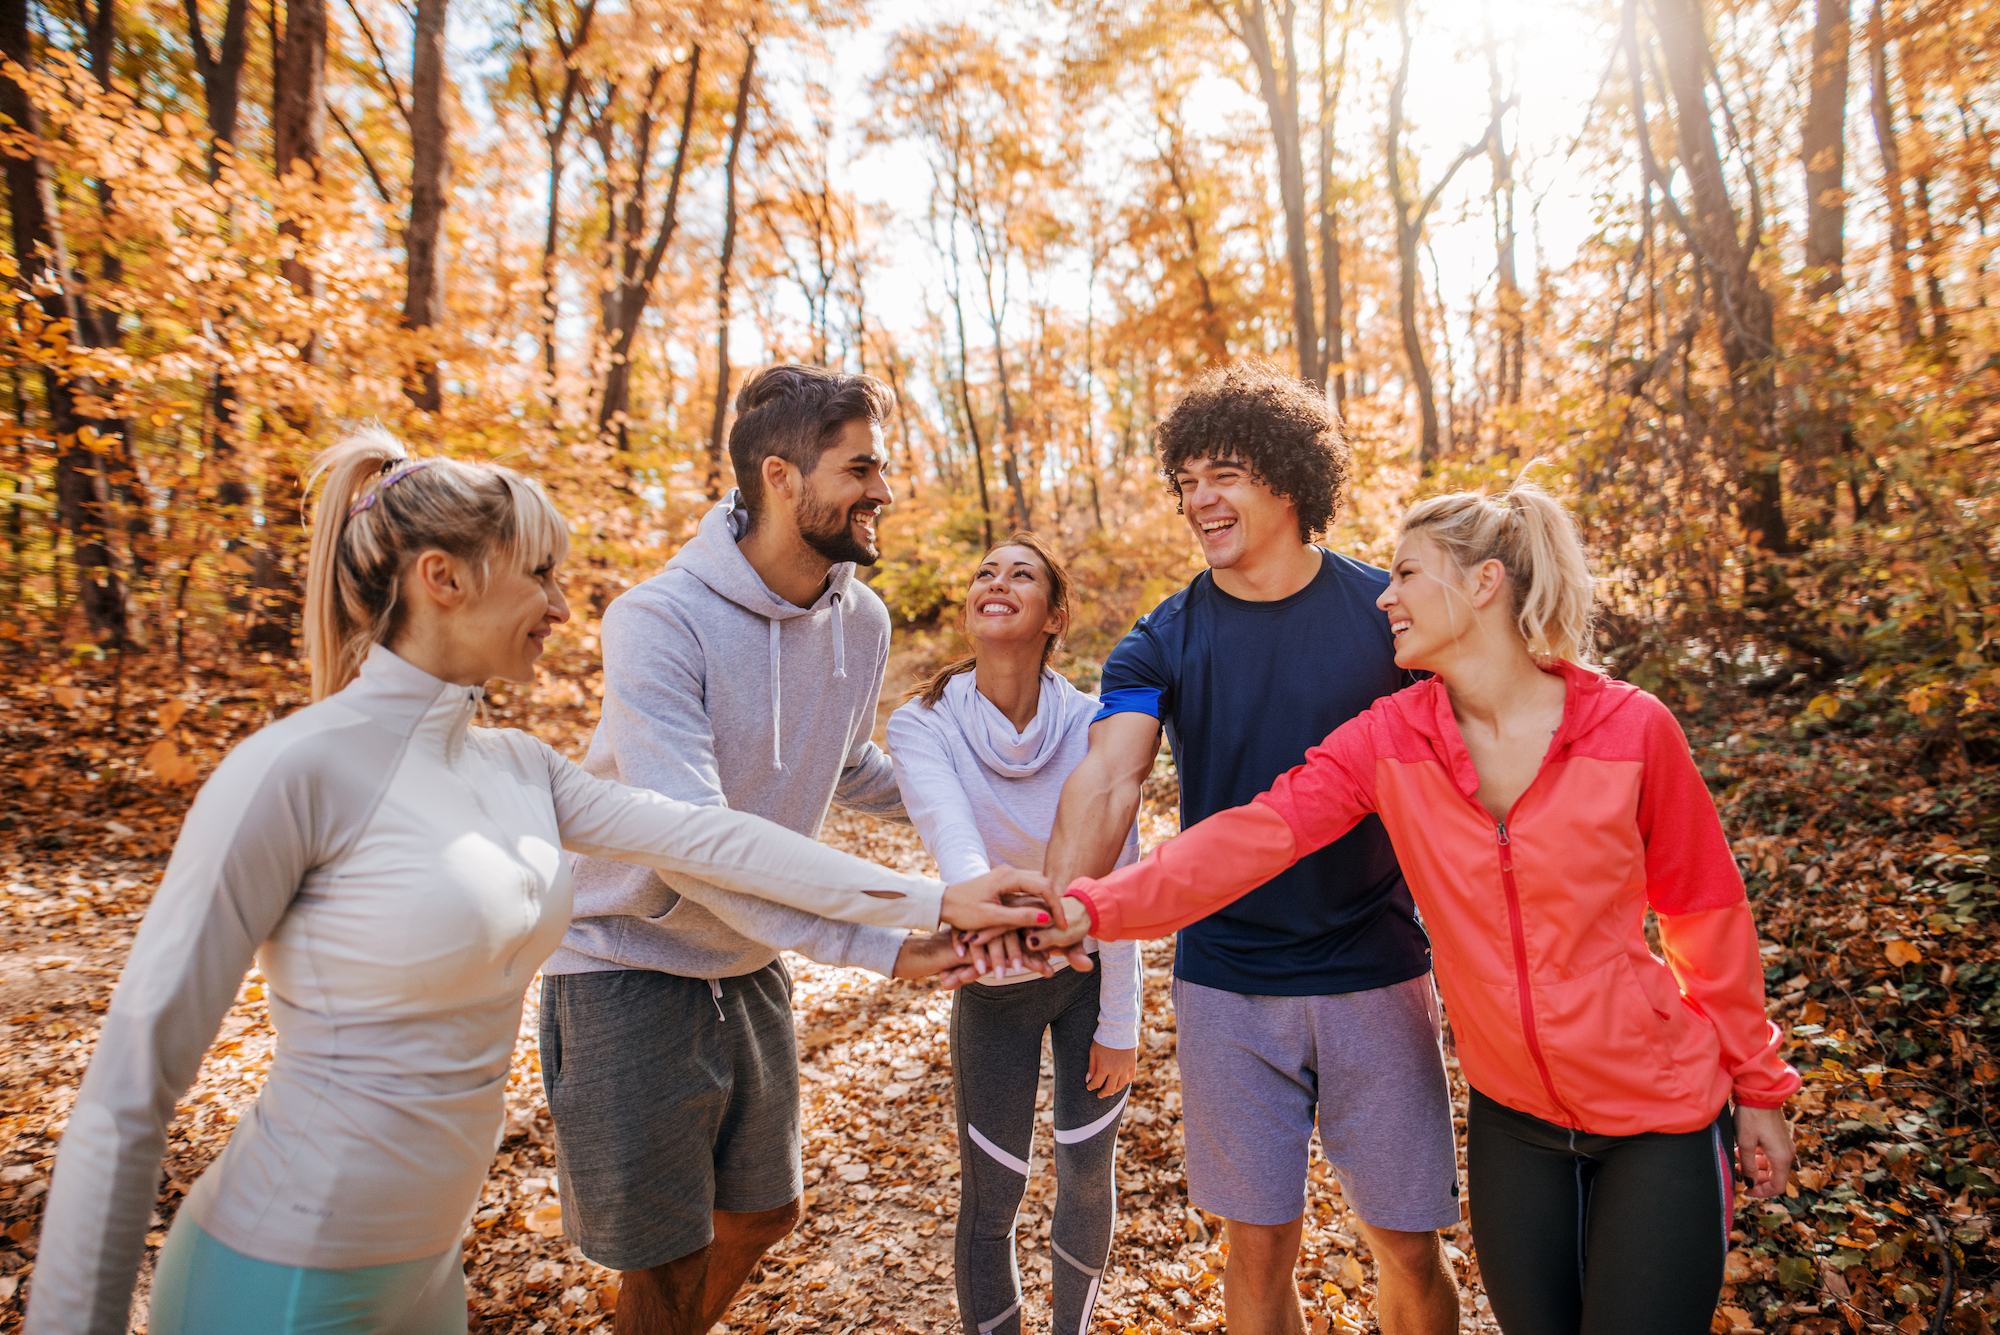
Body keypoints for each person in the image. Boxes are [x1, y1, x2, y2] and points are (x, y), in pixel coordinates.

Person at [23, 432, 1054, 1335]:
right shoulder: (292, 773)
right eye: (540, 574)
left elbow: (710, 839)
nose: (563, 605)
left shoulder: (517, 769)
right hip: (279, 1273)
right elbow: (123, 1100)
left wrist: (927, 906)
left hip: (425, 1280)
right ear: (443, 578)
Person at [1032, 477, 1800, 1335]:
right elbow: (1249, 839)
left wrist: (1758, 1085)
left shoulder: (1629, 727)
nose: (1384, 596)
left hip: (1660, 1114)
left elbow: (1706, 916)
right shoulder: (1391, 737)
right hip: (1517, 1124)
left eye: (1405, 575)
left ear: (1484, 583)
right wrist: (1092, 907)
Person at [1025, 361, 1462, 1335]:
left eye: (1219, 473)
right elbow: (1107, 780)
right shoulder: (1161, 638)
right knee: (1256, 1245)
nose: (1197, 499)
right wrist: (1059, 905)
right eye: (1183, 480)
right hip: (1225, 983)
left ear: (1285, 478)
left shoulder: (1385, 616)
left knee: (1404, 1242)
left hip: (1373, 971)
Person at [542, 365, 956, 1335]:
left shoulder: (859, 617)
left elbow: (846, 764)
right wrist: (883, 936)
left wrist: (980, 812)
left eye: (880, 466)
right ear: (780, 476)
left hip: (748, 958)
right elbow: (691, 841)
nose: (882, 491)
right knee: (666, 1257)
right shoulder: (658, 619)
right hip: (625, 963)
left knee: (765, 1213)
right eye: (858, 469)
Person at [886, 534, 1142, 1335]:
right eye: (983, 571)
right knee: (992, 1197)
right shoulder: (922, 721)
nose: (995, 582)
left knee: (1085, 1175)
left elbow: (1119, 881)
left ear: (1054, 614)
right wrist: (983, 910)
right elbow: (952, 836)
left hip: (1087, 977)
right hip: (989, 985)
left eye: (1020, 574)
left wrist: (1122, 1024)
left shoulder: (1098, 724)